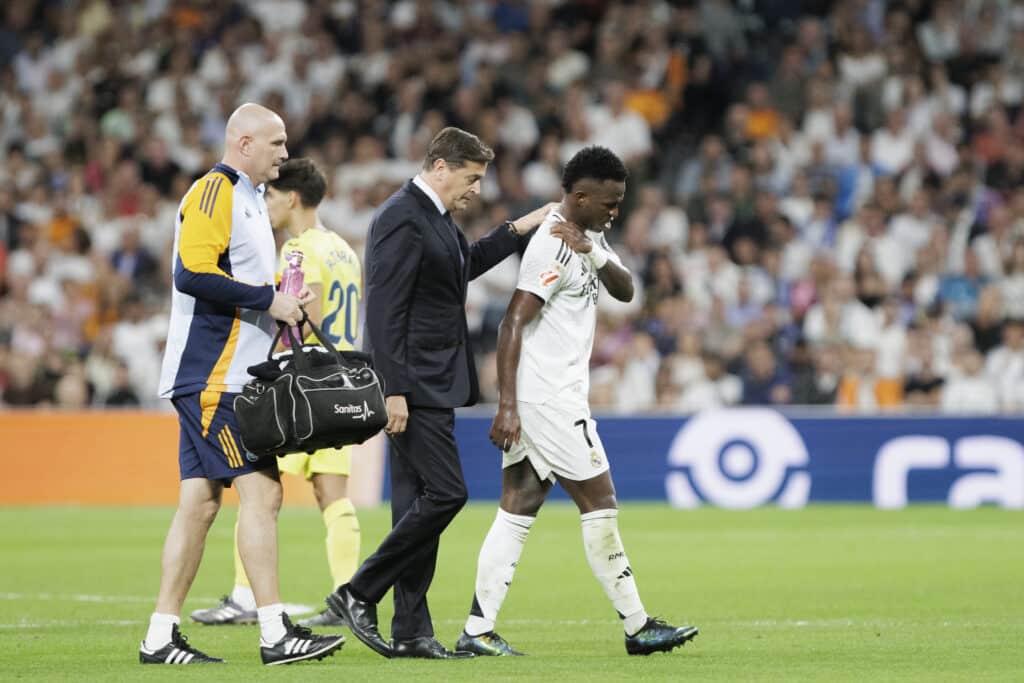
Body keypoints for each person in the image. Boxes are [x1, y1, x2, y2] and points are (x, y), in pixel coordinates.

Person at [454, 146, 699, 657]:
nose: (616, 211)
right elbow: (512, 321)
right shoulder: (550, 246)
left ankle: (477, 631)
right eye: (609, 203)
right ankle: (637, 626)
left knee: (517, 508)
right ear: (581, 196)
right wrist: (507, 405)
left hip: (550, 395)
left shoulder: (588, 238)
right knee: (601, 502)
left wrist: (592, 248)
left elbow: (628, 290)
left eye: (620, 202)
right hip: (550, 400)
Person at [325, 127, 558, 659]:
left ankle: (411, 630)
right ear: (440, 166)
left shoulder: (435, 218)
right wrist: (395, 391)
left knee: (415, 505)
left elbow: (464, 266)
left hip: (434, 383)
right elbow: (383, 310)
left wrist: (520, 227)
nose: (476, 188)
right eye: (471, 177)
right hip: (414, 385)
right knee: (448, 494)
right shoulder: (401, 216)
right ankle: (358, 593)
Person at [139, 104, 345, 666]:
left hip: (227, 376)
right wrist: (267, 299)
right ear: (245, 141)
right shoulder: (213, 192)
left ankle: (159, 636)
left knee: (200, 505)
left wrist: (285, 303)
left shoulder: (254, 200)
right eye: (277, 143)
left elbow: (241, 279)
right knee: (264, 491)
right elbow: (191, 272)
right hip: (214, 377)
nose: (285, 152)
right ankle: (276, 632)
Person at [188, 158, 361, 629]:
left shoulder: (299, 251)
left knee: (256, 491)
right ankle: (350, 595)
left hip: (302, 390)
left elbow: (310, 318)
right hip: (340, 385)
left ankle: (246, 597)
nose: (265, 204)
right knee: (334, 497)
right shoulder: (344, 248)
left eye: (270, 195)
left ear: (292, 198)